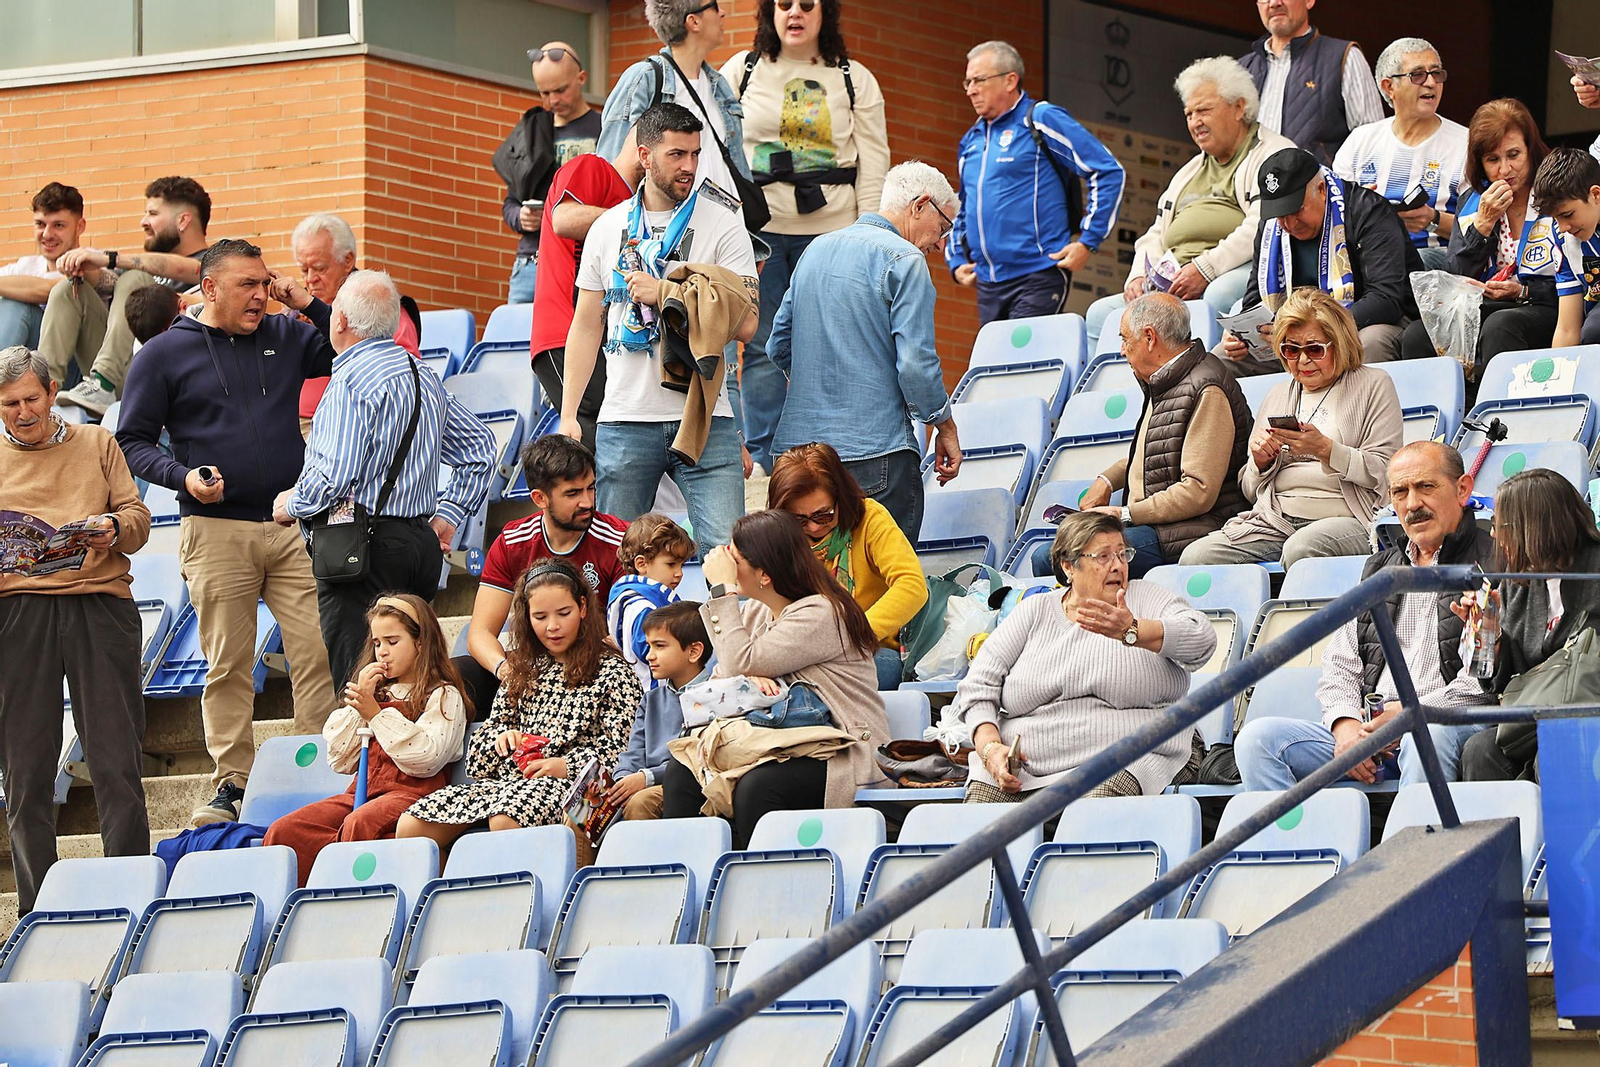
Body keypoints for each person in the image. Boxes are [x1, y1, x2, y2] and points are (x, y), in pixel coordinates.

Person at [116, 240, 337, 827]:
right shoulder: (163, 354)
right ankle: (232, 784)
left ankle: (317, 767)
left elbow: (350, 350)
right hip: (214, 530)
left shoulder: (287, 334)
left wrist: (307, 302)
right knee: (228, 664)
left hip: (290, 522)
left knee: (317, 649)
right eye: (247, 284)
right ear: (209, 289)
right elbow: (131, 440)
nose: (260, 294)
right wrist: (183, 478)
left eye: (265, 282)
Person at [273, 270, 497, 689]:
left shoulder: (351, 380)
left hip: (360, 550)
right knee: (414, 684)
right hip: (418, 545)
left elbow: (334, 475)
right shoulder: (423, 374)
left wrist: (291, 503)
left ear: (338, 319)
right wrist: (447, 517)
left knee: (361, 689)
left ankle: (370, 758)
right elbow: (481, 448)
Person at [1234, 441, 1497, 791]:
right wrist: (1346, 730)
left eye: (1426, 487)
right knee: (1259, 740)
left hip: (1441, 722)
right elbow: (1340, 665)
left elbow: (1483, 679)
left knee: (1426, 737)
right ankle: (1309, 844)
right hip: (1373, 731)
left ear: (1462, 489)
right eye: (1400, 492)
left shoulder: (1491, 562)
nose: (1413, 504)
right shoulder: (1378, 571)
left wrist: (1407, 714)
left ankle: (1418, 844)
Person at [560, 103, 758, 549]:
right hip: (625, 420)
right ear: (645, 156)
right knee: (614, 562)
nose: (689, 166)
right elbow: (586, 325)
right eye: (677, 155)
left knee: (728, 559)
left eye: (695, 154)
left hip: (707, 418)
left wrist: (671, 292)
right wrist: (570, 413)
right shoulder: (608, 227)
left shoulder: (724, 223)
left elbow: (747, 324)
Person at [0, 346, 151, 914]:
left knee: (115, 760)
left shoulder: (96, 443)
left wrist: (110, 527)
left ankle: (129, 897)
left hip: (98, 606)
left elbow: (137, 521)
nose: (22, 412)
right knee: (25, 767)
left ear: (52, 389)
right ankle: (37, 910)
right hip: (17, 615)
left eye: (31, 399)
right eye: (9, 404)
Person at [719, 0, 890, 474]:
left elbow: (874, 164)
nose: (794, 12)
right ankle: (775, 462)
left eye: (807, 4)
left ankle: (834, 455)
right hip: (759, 234)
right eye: (783, 3)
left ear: (825, 13)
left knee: (834, 344)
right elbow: (720, 150)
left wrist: (869, 236)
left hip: (834, 234)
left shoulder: (853, 77)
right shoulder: (743, 69)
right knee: (760, 345)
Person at [660, 511, 891, 846]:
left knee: (758, 786)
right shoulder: (754, 613)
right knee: (681, 773)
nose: (727, 564)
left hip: (840, 748)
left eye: (735, 558)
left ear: (764, 574)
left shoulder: (822, 613)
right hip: (775, 743)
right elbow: (721, 680)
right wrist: (750, 678)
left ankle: (768, 885)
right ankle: (692, 885)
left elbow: (740, 659)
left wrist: (723, 591)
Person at [957, 511, 1213, 802]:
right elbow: (977, 687)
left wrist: (1133, 630)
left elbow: (1202, 640)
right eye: (1103, 557)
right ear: (1069, 566)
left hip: (1126, 756)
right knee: (976, 833)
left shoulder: (1148, 598)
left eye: (1122, 554)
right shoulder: (1034, 610)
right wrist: (990, 749)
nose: (1118, 566)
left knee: (1093, 813)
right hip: (1026, 768)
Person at [769, 161, 963, 540]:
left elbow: (778, 343)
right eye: (942, 229)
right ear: (919, 205)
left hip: (795, 459)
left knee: (804, 590)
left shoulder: (814, 250)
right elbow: (916, 366)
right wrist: (944, 424)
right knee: (885, 590)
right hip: (877, 454)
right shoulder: (906, 260)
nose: (940, 245)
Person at [397, 559, 641, 853]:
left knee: (507, 818)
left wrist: (566, 766)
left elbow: (623, 753)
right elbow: (479, 758)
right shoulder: (523, 672)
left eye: (564, 613)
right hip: (509, 785)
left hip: (578, 789)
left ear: (583, 608)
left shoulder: (614, 672)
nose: (553, 626)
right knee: (412, 825)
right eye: (540, 617)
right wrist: (501, 739)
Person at [1181, 288, 1401, 568]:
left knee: (1303, 548)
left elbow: (1385, 473)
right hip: (1275, 520)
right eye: (1290, 350)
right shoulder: (1278, 393)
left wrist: (1325, 449)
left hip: (1349, 518)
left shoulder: (1374, 384)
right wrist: (1260, 463)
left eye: (1314, 349)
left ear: (1340, 343)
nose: (1303, 360)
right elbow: (1250, 490)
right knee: (1196, 558)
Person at [1085, 56, 1294, 346]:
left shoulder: (1273, 153)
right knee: (1100, 314)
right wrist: (1137, 276)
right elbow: (1156, 232)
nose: (1195, 122)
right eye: (1189, 114)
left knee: (1219, 294)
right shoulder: (1188, 171)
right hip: (1174, 281)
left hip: (1246, 269)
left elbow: (1264, 224)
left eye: (1204, 111)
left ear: (1239, 107)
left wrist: (1205, 270)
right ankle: (1116, 391)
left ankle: (1208, 382)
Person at [263, 594, 470, 886]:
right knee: (286, 830)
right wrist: (361, 706)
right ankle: (292, 907)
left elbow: (426, 758)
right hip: (362, 792)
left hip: (414, 795)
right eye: (377, 643)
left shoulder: (442, 694)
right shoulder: (376, 695)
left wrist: (376, 715)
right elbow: (339, 758)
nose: (382, 652)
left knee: (361, 822)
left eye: (392, 641)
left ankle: (348, 898)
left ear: (421, 643)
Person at [948, 40, 1125, 325]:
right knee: (992, 370)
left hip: (1038, 275)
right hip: (989, 284)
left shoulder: (1040, 118)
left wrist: (1088, 242)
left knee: (1021, 367)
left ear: (1010, 80)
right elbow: (963, 207)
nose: (970, 89)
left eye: (979, 80)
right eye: (967, 81)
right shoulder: (971, 140)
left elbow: (1107, 171)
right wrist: (955, 261)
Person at [1399, 100, 1579, 372]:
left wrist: (1523, 291)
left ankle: (1498, 412)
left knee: (1500, 326)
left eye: (1514, 155)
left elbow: (1582, 275)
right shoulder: (1474, 200)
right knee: (1417, 335)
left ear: (1531, 150)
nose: (1505, 170)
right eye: (1493, 160)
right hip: (1487, 304)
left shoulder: (1557, 192)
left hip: (1550, 305)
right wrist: (1481, 226)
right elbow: (1454, 279)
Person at [1080, 293, 1252, 577]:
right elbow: (1156, 454)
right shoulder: (1162, 379)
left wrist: (1126, 514)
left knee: (1082, 558)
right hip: (1155, 526)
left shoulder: (1207, 387)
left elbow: (1198, 492)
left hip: (1194, 529)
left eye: (1124, 339)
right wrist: (1107, 481)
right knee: (1054, 553)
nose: (1122, 350)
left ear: (1149, 337)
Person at [454, 434, 628, 715]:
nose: (587, 502)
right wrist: (506, 670)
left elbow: (626, 637)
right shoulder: (513, 541)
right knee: (455, 676)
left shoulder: (619, 541)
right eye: (573, 493)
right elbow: (480, 633)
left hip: (596, 668)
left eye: (591, 488)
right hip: (531, 671)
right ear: (539, 498)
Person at [1221, 147, 1422, 371]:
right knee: (1223, 358)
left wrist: (1318, 326)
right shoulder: (1270, 228)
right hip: (1293, 335)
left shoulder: (1368, 210)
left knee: (1370, 343)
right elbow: (1254, 299)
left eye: (1296, 210)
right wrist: (1241, 334)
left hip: (1365, 324)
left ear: (1322, 189)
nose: (1289, 223)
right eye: (1280, 214)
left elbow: (1386, 298)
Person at [1460, 469, 1600, 783]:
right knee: (1479, 751)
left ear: (1536, 525)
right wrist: (1488, 635)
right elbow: (1495, 681)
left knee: (1555, 752)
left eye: (1501, 524)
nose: (1494, 534)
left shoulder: (1595, 570)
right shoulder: (1515, 581)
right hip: (1535, 718)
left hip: (1587, 718)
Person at [44, 176, 213, 416]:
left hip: (168, 374)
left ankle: (103, 381)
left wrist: (112, 258)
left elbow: (185, 269)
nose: (144, 221)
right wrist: (83, 269)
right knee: (67, 290)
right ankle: (40, 394)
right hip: (123, 373)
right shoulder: (134, 270)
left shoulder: (215, 263)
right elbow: (108, 282)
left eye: (153, 213)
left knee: (136, 279)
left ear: (183, 220)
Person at [767, 441, 927, 690]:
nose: (813, 527)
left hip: (870, 649)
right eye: (799, 519)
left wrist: (850, 636)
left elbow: (912, 586)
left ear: (841, 498)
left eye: (823, 515)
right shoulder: (778, 537)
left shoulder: (870, 518)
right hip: (803, 654)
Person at [1332, 38, 1467, 269]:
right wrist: (1361, 209)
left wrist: (1432, 220)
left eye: (1436, 73)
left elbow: (1485, 228)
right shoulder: (1360, 141)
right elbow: (1331, 215)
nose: (1431, 83)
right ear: (1388, 87)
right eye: (1417, 75)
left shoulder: (1466, 143)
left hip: (1435, 260)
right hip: (1367, 256)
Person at [529, 154, 632, 454]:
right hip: (566, 333)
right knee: (601, 445)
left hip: (600, 337)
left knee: (613, 441)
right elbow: (563, 219)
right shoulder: (594, 167)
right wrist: (637, 218)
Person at [597, 0, 749, 198]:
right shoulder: (645, 79)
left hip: (727, 223)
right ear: (693, 21)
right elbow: (612, 169)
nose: (723, 13)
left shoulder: (719, 85)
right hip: (672, 224)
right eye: (714, 6)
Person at [495, 41, 603, 305]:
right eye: (544, 93)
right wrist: (521, 218)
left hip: (583, 262)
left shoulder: (604, 129)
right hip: (531, 259)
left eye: (560, 90)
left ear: (581, 79)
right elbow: (511, 201)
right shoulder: (531, 131)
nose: (552, 100)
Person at [1237, 0, 1384, 164]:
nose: (1274, 3)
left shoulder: (1344, 56)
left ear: (1309, 1)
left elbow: (1373, 140)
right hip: (1251, 187)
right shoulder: (1241, 70)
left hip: (1318, 187)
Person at [608, 600, 711, 822]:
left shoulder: (716, 695)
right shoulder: (651, 699)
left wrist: (646, 778)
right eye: (649, 646)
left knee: (641, 801)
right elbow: (633, 753)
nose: (649, 656)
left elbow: (698, 760)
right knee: (581, 814)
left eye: (660, 646)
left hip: (686, 787)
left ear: (693, 651)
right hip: (642, 782)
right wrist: (622, 780)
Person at [607, 512, 696, 690]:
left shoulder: (625, 595)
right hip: (651, 692)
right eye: (671, 564)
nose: (679, 573)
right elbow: (650, 651)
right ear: (641, 564)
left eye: (681, 565)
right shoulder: (644, 607)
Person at [0, 183, 85, 350]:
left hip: (73, 363)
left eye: (58, 225)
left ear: (80, 227)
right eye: (40, 224)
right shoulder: (23, 266)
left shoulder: (90, 261)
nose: (47, 234)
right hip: (29, 364)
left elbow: (51, 290)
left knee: (17, 305)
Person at [1531, 147, 1600, 346]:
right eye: (1555, 219)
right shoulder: (1564, 240)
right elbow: (1567, 328)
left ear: (1595, 195)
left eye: (1568, 215)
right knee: (1593, 329)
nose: (1562, 228)